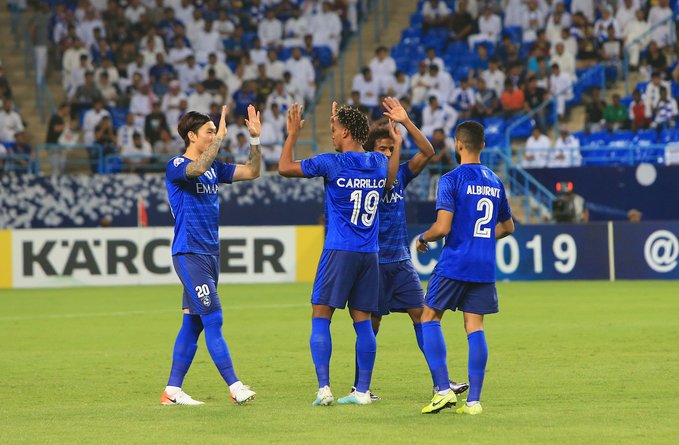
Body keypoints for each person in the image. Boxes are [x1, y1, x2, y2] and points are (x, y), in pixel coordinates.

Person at [278, 101, 400, 406]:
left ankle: (324, 389)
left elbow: (284, 168)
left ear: (345, 131)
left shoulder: (331, 164)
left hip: (338, 251)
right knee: (363, 322)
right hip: (369, 255)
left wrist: (292, 134)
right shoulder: (377, 161)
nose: (331, 135)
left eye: (334, 129)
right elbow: (389, 177)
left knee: (321, 315)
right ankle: (362, 391)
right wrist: (396, 145)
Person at [358, 97, 469, 400]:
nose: (387, 152)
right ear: (371, 151)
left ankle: (441, 383)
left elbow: (429, 152)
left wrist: (405, 122)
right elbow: (387, 177)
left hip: (402, 262)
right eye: (382, 148)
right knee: (371, 323)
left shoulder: (403, 175)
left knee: (423, 317)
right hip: (375, 263)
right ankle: (361, 387)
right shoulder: (366, 180)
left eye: (391, 149)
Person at [160, 104, 262, 406]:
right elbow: (198, 168)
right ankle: (235, 387)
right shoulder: (176, 164)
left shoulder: (216, 168)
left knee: (192, 323)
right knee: (214, 318)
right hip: (189, 252)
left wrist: (254, 140)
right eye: (209, 132)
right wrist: (220, 139)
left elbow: (253, 171)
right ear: (192, 136)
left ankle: (172, 391)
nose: (214, 136)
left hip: (210, 254)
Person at [416, 121, 514, 415]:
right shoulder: (496, 182)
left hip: (456, 261)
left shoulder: (451, 179)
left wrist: (423, 237)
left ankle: (444, 390)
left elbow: (442, 226)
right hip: (484, 265)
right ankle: (474, 402)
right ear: (482, 145)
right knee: (475, 325)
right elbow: (508, 226)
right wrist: (480, 236)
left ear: (458, 144)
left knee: (429, 316)